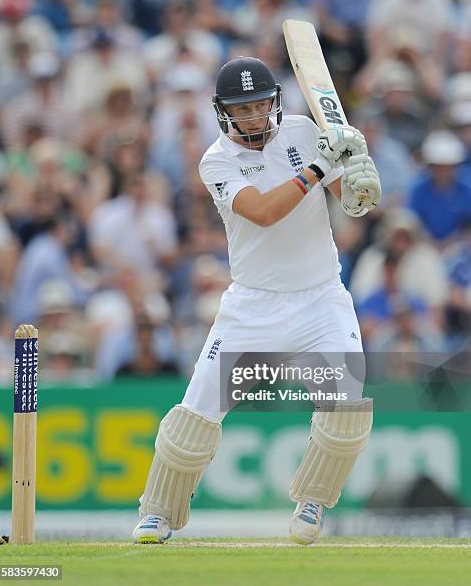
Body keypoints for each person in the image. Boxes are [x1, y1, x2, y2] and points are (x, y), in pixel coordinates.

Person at [133, 57, 381, 545]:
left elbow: (355, 201)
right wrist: (320, 168)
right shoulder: (216, 160)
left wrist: (358, 176)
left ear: (275, 102)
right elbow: (264, 212)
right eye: (241, 109)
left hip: (320, 299)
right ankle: (157, 513)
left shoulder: (304, 131)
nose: (252, 117)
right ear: (223, 112)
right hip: (252, 307)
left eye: (260, 105)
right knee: (196, 414)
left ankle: (311, 503)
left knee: (347, 408)